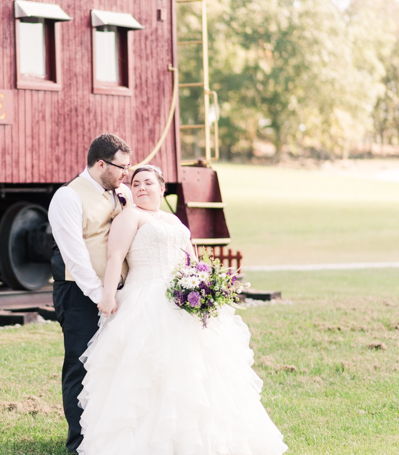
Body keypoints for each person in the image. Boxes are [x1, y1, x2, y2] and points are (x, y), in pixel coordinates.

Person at [77, 165, 288, 455]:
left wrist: (202, 285)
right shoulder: (130, 217)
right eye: (136, 183)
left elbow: (190, 258)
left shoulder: (173, 219)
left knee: (198, 370)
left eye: (148, 183)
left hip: (181, 297)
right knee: (150, 371)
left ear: (161, 188)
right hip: (145, 298)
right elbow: (115, 257)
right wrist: (109, 296)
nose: (140, 188)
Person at [48, 133, 133, 454]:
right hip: (79, 294)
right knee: (80, 366)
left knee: (114, 366)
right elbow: (75, 257)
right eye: (122, 167)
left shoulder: (120, 191)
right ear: (101, 164)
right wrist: (100, 295)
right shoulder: (67, 198)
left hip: (115, 294)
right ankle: (79, 444)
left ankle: (107, 438)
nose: (127, 173)